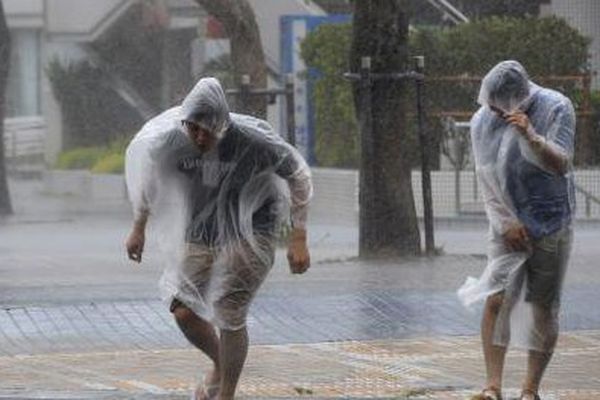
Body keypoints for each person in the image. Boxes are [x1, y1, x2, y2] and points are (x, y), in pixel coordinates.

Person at [124, 77, 313, 400]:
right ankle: (220, 363)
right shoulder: (171, 140)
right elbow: (149, 178)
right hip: (202, 230)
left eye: (206, 130)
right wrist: (138, 226)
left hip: (253, 229)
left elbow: (298, 174)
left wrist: (298, 238)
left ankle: (226, 393)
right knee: (183, 309)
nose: (199, 137)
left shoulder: (253, 140)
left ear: (222, 123)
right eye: (192, 128)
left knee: (228, 309)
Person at [458, 61, 576, 400]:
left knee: (543, 306)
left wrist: (531, 136)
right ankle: (492, 386)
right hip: (507, 224)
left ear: (518, 98)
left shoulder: (556, 107)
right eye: (488, 103)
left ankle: (529, 389)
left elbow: (562, 164)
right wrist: (504, 222)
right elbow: (484, 173)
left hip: (551, 220)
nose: (491, 111)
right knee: (496, 299)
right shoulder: (483, 119)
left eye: (498, 105)